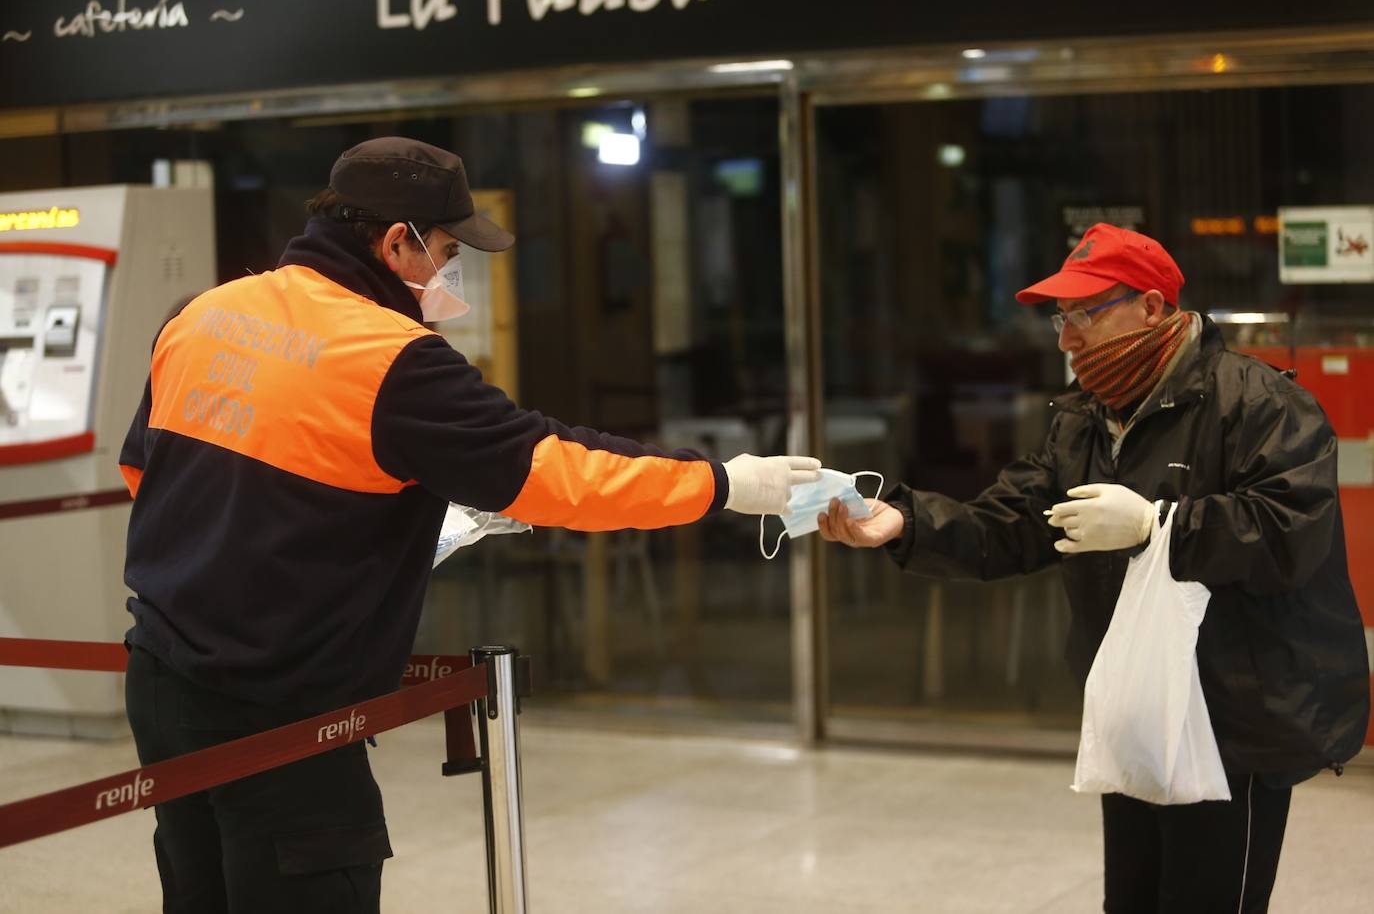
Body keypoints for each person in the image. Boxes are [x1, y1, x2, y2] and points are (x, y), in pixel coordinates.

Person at [117, 136, 819, 914]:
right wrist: (720, 484)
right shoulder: (392, 358)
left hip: (160, 681)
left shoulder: (204, 313)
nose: (450, 273)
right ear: (395, 243)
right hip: (282, 709)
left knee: (197, 892)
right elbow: (554, 472)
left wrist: (326, 527)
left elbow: (146, 474)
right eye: (446, 250)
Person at [817, 223, 1369, 914]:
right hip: (1132, 709)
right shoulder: (1084, 420)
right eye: (1061, 318)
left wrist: (1155, 526)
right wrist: (904, 521)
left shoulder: (1260, 404)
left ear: (1153, 306)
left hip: (1231, 721)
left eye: (1087, 314)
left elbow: (1289, 534)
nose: (1066, 339)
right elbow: (1014, 523)